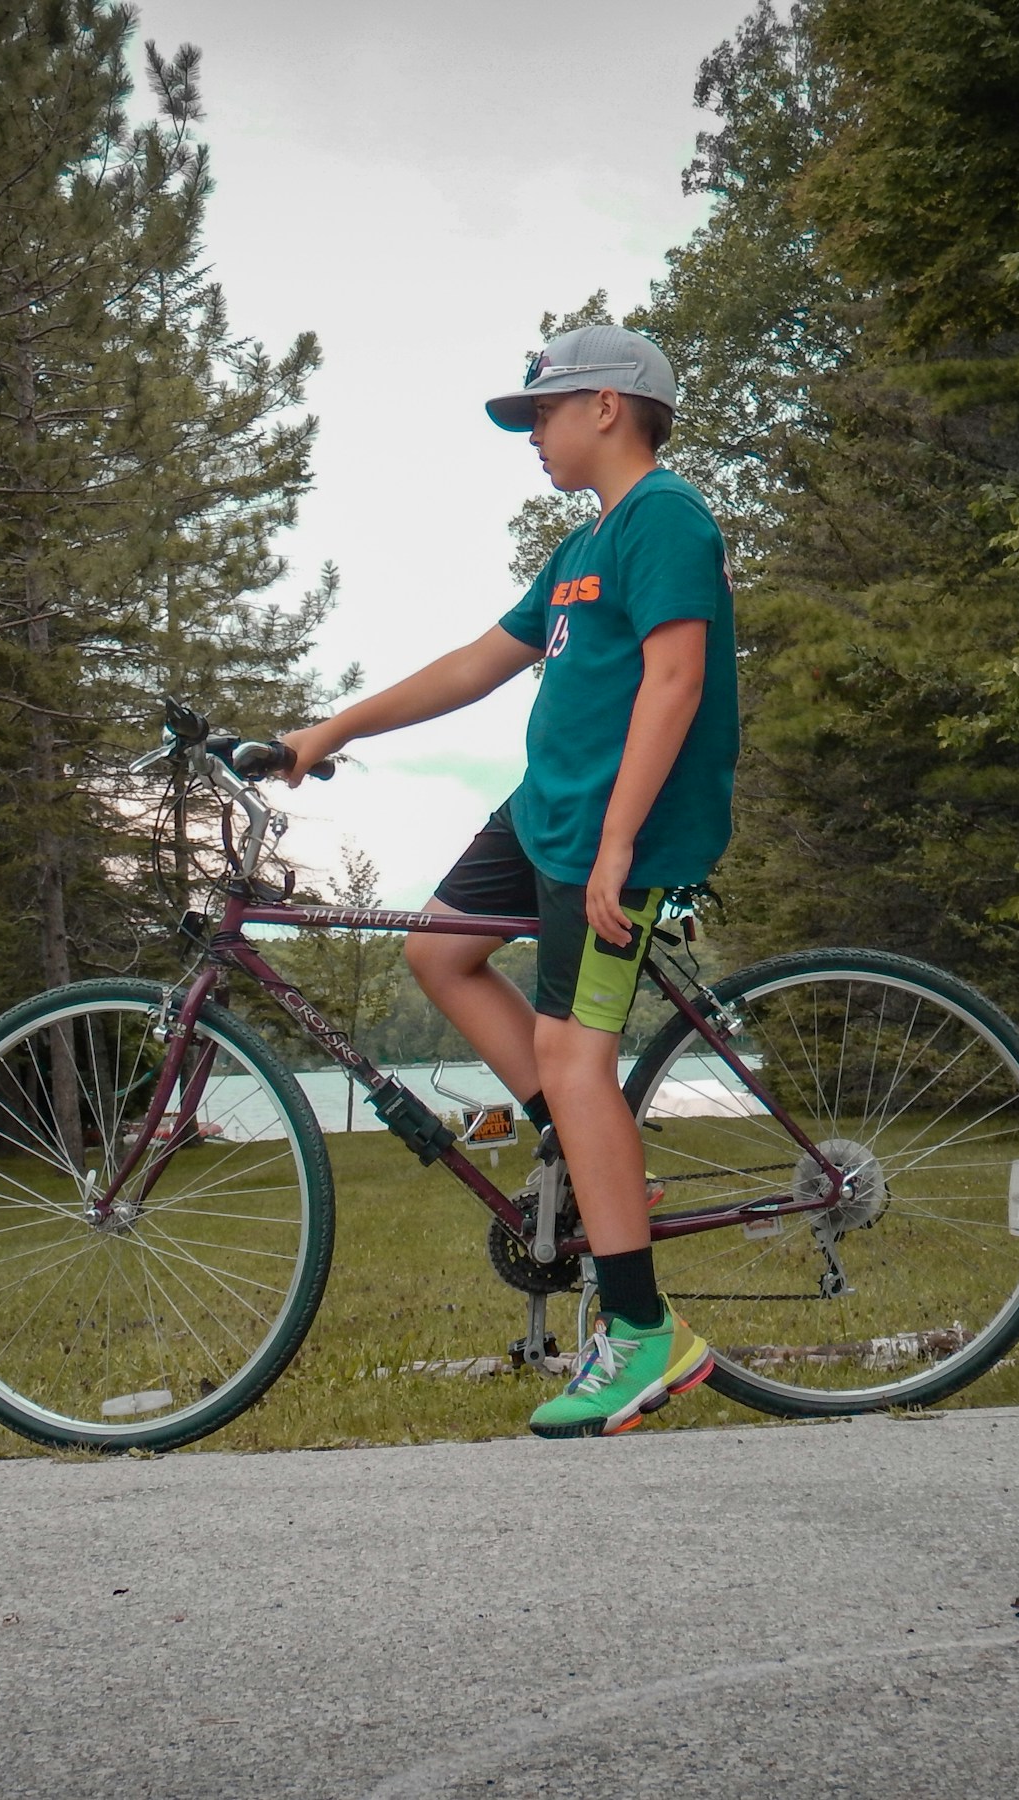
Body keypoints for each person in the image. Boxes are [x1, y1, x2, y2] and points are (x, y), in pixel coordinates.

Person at [277, 323, 739, 1438]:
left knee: (578, 1053)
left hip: (608, 840)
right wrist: (328, 729)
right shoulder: (583, 547)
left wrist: (623, 839)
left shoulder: (666, 519)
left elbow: (676, 681)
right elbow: (478, 665)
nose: (531, 433)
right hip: (545, 815)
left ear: (608, 410)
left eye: (541, 412)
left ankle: (642, 1336)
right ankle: (581, 1157)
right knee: (436, 951)